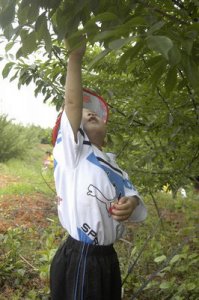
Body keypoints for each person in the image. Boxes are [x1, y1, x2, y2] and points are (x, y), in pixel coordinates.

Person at [50, 38, 147, 300]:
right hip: (82, 254)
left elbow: (134, 201)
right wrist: (75, 57)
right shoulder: (74, 154)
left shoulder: (115, 167)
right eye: (83, 114)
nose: (90, 114)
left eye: (95, 114)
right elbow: (71, 104)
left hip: (107, 257)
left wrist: (131, 202)